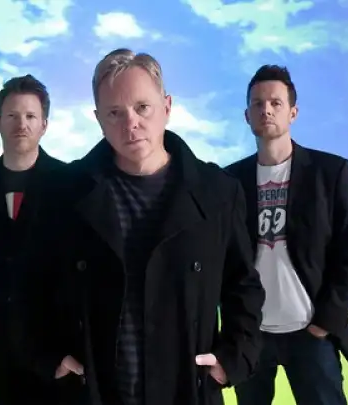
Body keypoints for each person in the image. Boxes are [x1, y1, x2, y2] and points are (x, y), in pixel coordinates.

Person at [20, 48, 265, 405]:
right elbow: (30, 286)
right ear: (98, 119)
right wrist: (49, 357)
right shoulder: (62, 193)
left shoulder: (218, 192)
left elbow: (243, 286)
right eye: (115, 113)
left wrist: (232, 360)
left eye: (142, 107)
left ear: (167, 106)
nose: (130, 123)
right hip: (95, 391)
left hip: (187, 389)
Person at [225, 65, 348, 405]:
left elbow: (347, 258)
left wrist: (324, 323)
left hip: (311, 331)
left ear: (293, 112)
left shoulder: (330, 172)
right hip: (252, 333)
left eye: (275, 102)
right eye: (257, 104)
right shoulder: (229, 182)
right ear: (246, 115)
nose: (266, 110)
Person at [0, 74, 67, 405]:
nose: (22, 124)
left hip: (55, 339)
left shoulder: (68, 180)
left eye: (31, 116)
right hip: (1, 332)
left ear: (44, 124)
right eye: (12, 115)